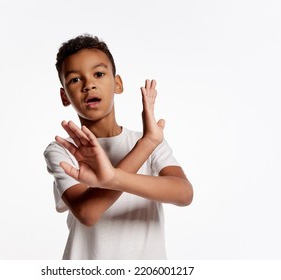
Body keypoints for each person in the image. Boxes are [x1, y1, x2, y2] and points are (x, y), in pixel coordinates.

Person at [43, 34, 193, 260]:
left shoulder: (150, 139)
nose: (89, 84)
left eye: (99, 74)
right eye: (75, 79)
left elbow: (184, 193)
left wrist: (113, 175)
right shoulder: (62, 150)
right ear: (64, 96)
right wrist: (145, 146)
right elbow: (87, 213)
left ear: (118, 84)